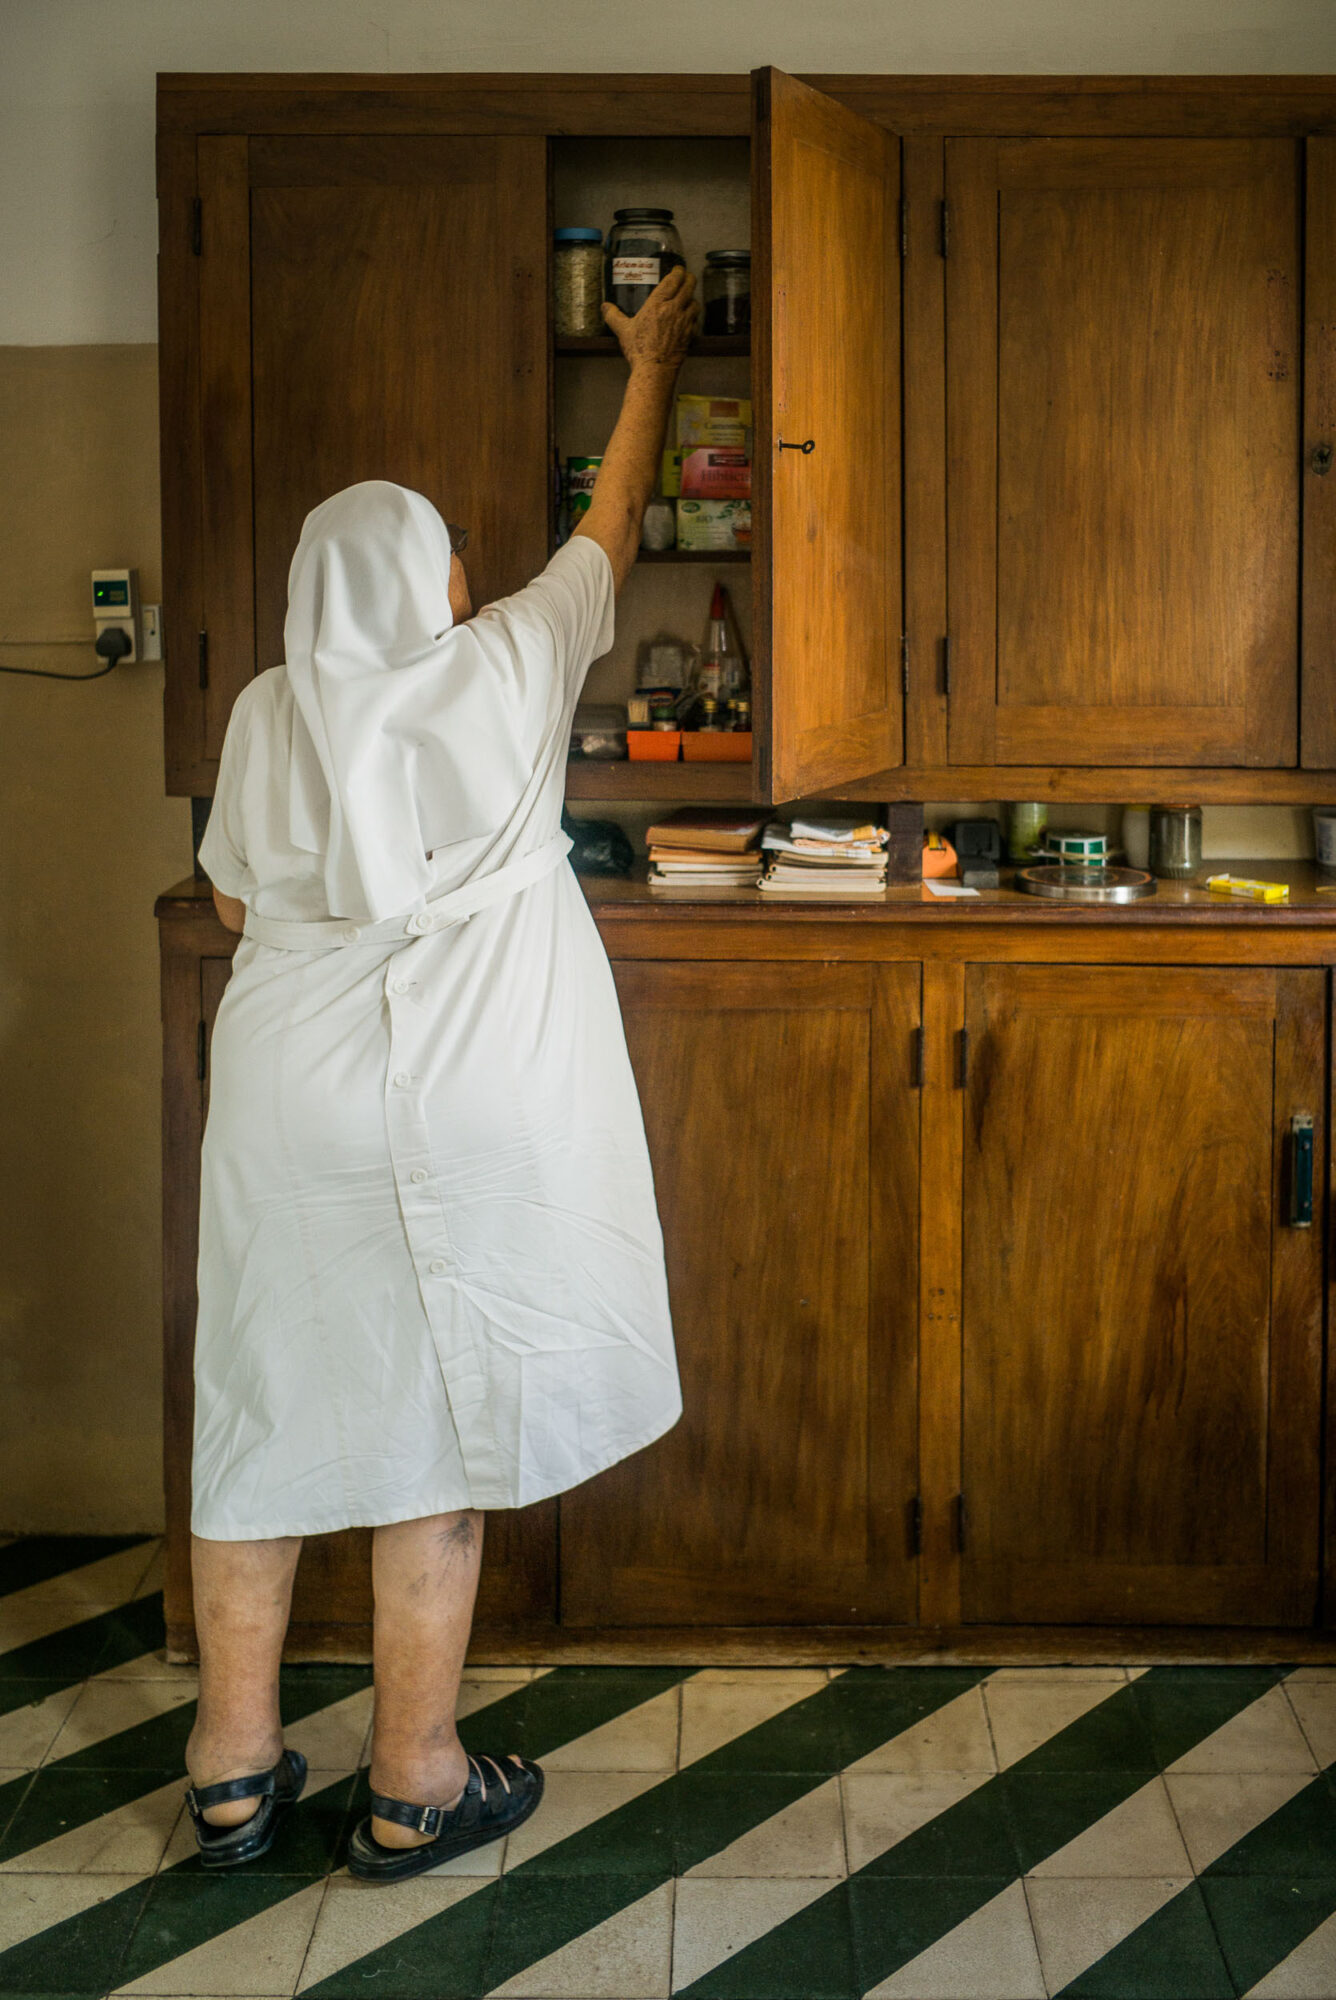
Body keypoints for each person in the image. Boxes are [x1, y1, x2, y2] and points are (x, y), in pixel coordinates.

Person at [183, 268, 699, 1882]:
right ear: (436, 579)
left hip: (287, 1101)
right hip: (475, 1095)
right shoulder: (508, 661)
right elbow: (611, 522)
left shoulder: (268, 708)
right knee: (440, 1421)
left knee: (259, 1413)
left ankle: (231, 1774)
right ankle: (414, 1782)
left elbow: (234, 902)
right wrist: (654, 364)